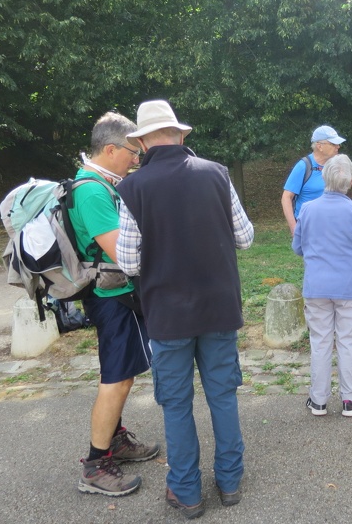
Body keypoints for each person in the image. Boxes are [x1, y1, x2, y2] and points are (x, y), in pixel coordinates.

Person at [116, 100, 254, 519]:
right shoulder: (217, 173)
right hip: (219, 308)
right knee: (222, 396)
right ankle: (230, 481)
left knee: (176, 404)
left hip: (168, 315)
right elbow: (245, 237)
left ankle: (186, 491)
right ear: (180, 134)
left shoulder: (133, 188)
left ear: (143, 143)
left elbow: (128, 261)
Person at [71, 112, 159, 498]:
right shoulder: (92, 191)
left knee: (123, 374)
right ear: (110, 149)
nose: (136, 158)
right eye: (132, 151)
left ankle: (116, 440)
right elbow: (122, 252)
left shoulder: (101, 183)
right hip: (111, 298)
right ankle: (95, 465)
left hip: (115, 295)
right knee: (117, 378)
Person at [293, 154, 352, 417]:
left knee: (319, 342)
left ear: (324, 178)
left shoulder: (307, 209)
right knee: (348, 342)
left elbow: (297, 247)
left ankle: (317, 400)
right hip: (349, 287)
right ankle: (351, 399)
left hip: (316, 287)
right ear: (351, 181)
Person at [281, 125, 345, 234]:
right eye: (333, 144)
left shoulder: (336, 166)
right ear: (320, 146)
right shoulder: (303, 166)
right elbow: (286, 197)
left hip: (332, 228)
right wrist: (294, 228)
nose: (338, 146)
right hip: (308, 229)